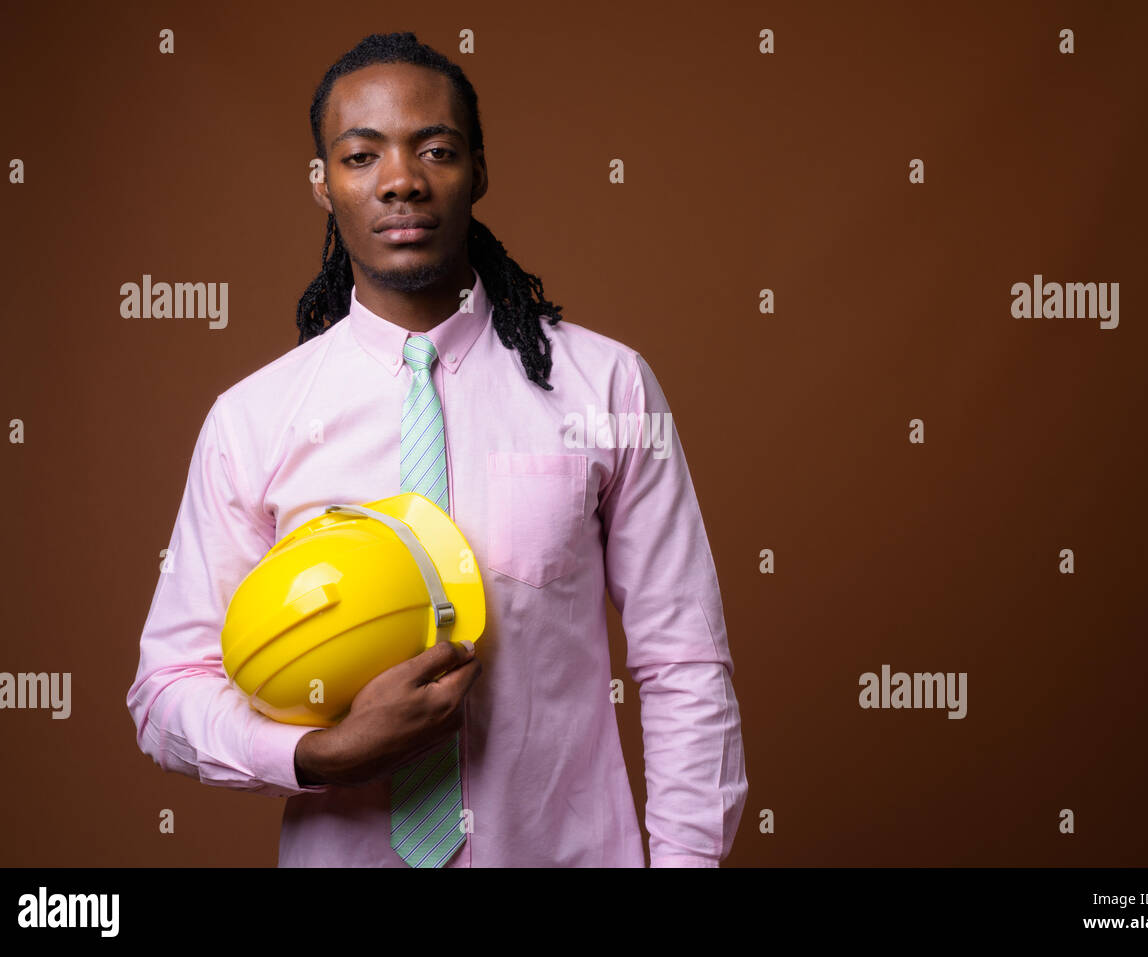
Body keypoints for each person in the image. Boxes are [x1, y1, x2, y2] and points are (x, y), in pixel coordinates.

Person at [126, 31, 747, 867]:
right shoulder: (254, 419)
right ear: (323, 184)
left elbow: (685, 663)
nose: (400, 180)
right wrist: (318, 755)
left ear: (478, 172)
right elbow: (167, 690)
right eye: (360, 155)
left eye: (436, 149)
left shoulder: (609, 387)